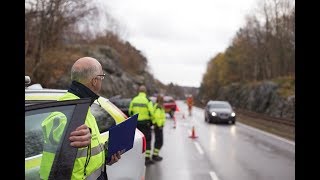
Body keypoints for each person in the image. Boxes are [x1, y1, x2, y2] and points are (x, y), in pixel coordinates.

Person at [40, 57, 121, 180]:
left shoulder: (84, 106)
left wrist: (107, 156)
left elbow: (84, 156)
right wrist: (67, 136)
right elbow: (54, 124)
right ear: (94, 81)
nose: (102, 81)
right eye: (102, 77)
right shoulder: (68, 108)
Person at [128, 85, 155, 165]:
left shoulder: (134, 99)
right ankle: (146, 158)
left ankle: (136, 158)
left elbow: (130, 111)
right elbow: (152, 113)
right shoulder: (147, 100)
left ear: (139, 91)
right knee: (147, 140)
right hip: (145, 123)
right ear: (145, 92)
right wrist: (151, 120)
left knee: (136, 140)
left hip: (136, 123)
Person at [151, 94, 166, 161]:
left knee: (158, 141)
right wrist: (160, 125)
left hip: (158, 126)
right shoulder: (158, 107)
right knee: (159, 142)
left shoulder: (158, 106)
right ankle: (155, 155)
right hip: (158, 126)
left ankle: (155, 154)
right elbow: (157, 117)